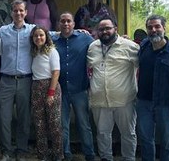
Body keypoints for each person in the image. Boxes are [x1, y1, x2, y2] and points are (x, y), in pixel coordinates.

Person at [136, 15, 169, 161]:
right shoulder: (144, 47)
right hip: (144, 102)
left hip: (166, 105)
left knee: (167, 141)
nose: (154, 30)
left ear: (164, 28)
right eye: (150, 27)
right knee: (146, 139)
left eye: (157, 26)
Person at [87, 18, 138, 161]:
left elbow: (145, 65)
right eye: (101, 29)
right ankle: (106, 158)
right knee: (102, 134)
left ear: (115, 28)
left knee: (128, 133)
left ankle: (129, 158)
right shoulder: (92, 47)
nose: (104, 32)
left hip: (124, 101)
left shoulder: (130, 47)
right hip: (100, 101)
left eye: (108, 28)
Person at [52, 12, 96, 161]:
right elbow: (38, 34)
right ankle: (66, 153)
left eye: (68, 21)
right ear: (59, 24)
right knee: (62, 124)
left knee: (84, 124)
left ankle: (89, 153)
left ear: (73, 24)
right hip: (61, 90)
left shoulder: (85, 38)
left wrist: (124, 39)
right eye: (62, 21)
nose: (65, 24)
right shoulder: (52, 39)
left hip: (80, 90)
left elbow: (101, 43)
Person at [0, 0, 35, 159]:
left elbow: (51, 36)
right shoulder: (2, 31)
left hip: (25, 80)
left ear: (26, 12)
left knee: (24, 118)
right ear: (11, 12)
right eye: (15, 10)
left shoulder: (33, 30)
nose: (18, 13)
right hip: (6, 80)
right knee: (4, 117)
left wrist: (79, 31)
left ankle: (21, 149)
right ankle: (6, 150)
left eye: (21, 10)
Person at [29, 25, 62, 161]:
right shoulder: (34, 52)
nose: (39, 38)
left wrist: (51, 93)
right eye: (36, 36)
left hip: (50, 86)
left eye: (41, 35)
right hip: (36, 87)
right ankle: (42, 155)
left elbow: (56, 72)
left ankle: (58, 155)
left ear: (46, 36)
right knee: (39, 123)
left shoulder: (52, 51)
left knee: (54, 123)